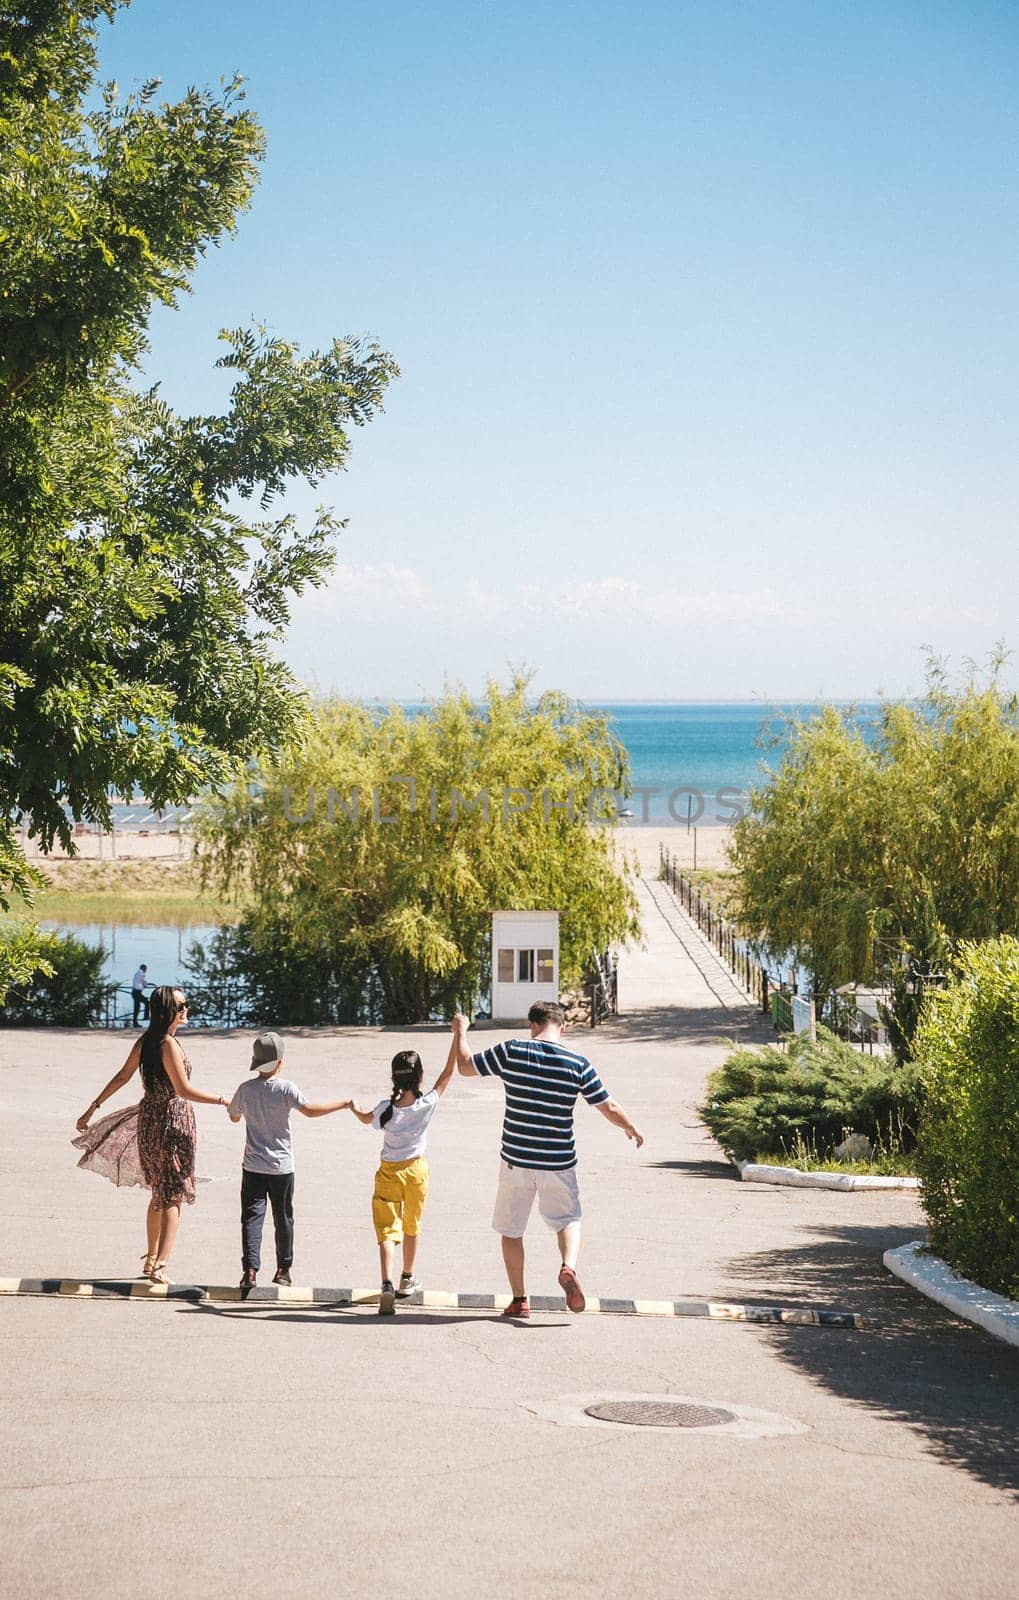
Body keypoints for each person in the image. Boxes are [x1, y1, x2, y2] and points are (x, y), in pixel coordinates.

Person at [452, 1002, 643, 1319]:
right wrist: (630, 1126)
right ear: (562, 1028)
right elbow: (606, 1104)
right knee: (567, 1219)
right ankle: (568, 1266)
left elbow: (466, 1065)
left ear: (532, 1025)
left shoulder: (512, 1050)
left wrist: (461, 1031)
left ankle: (519, 1300)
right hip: (558, 1161)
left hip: (516, 1157)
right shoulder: (577, 1062)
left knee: (512, 1231)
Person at [73, 986, 228, 1283]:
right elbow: (182, 1089)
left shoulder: (146, 1040)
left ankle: (152, 1260)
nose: (187, 1009)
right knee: (174, 1193)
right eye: (183, 1005)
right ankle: (161, 1265)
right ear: (170, 1010)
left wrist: (91, 1109)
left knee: (159, 1190)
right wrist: (223, 1100)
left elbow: (122, 1075)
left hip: (150, 1119)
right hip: (173, 1119)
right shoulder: (168, 1044)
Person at [227, 1030, 351, 1298]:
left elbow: (234, 1117)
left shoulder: (245, 1089)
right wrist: (342, 1104)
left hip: (253, 1166)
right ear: (280, 1062)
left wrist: (240, 1110)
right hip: (282, 1167)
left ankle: (250, 1270)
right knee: (283, 1217)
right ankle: (283, 1269)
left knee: (252, 1217)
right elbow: (309, 1110)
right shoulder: (285, 1089)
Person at [347, 1037, 458, 1315]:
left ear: (393, 1077)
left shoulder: (386, 1108)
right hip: (416, 1171)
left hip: (389, 1172)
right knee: (412, 1224)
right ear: (420, 1077)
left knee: (387, 1228)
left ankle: (386, 1283)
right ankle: (407, 1278)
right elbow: (447, 1074)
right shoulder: (426, 1105)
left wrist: (353, 1107)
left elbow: (365, 1118)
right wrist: (458, 1035)